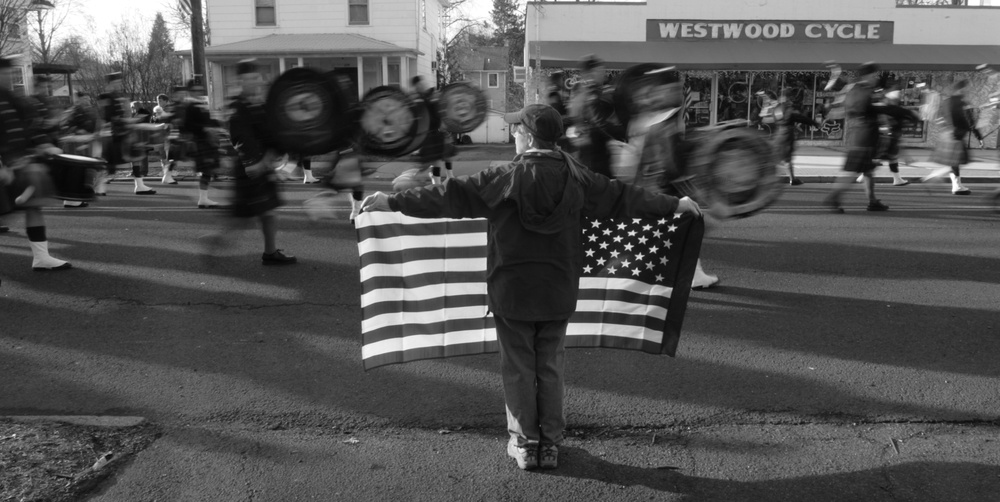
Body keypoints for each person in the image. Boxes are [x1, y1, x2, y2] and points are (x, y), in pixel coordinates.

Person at [359, 104, 702, 470]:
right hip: (558, 290)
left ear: (525, 136)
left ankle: (525, 444)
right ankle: (550, 445)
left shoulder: (502, 176)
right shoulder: (579, 177)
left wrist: (391, 200)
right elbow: (624, 197)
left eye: (516, 131)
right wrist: (675, 204)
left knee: (518, 367)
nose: (514, 136)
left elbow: (448, 195)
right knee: (550, 366)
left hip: (512, 292)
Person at [205, 59, 296, 265]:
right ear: (241, 81)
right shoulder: (238, 107)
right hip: (250, 170)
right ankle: (218, 241)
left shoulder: (261, 106)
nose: (255, 82)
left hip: (263, 166)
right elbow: (240, 138)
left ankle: (270, 252)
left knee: (267, 212)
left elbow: (273, 133)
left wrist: (281, 149)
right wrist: (254, 162)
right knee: (242, 216)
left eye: (257, 78)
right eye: (250, 79)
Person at [0, 56, 71, 271]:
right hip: (4, 164)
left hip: (20, 162)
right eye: (3, 73)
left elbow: (31, 127)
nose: (8, 77)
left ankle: (41, 257)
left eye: (9, 73)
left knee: (34, 206)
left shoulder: (14, 98)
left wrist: (45, 145)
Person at [824, 62, 889, 213]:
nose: (876, 78)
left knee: (868, 171)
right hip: (866, 136)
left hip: (855, 134)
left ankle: (872, 201)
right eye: (875, 75)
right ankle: (833, 198)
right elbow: (880, 113)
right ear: (869, 75)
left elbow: (838, 110)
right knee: (851, 171)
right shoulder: (868, 92)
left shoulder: (851, 89)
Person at [98, 72, 156, 195]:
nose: (118, 85)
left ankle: (139, 185)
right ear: (109, 83)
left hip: (125, 131)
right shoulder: (106, 97)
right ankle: (99, 186)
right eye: (116, 83)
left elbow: (123, 112)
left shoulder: (119, 96)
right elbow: (108, 117)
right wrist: (127, 120)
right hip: (115, 133)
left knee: (135, 156)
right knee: (109, 161)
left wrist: (130, 120)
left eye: (119, 82)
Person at [923, 79, 984, 195]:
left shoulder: (946, 101)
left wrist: (947, 128)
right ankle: (934, 177)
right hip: (957, 135)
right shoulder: (962, 103)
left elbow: (938, 117)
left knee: (954, 162)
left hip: (947, 134)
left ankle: (956, 186)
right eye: (967, 88)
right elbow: (970, 122)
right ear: (961, 89)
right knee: (956, 161)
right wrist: (979, 137)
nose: (968, 91)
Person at [567, 54, 624, 178]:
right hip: (595, 157)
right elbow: (600, 122)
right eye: (601, 70)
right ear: (592, 72)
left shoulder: (579, 91)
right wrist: (624, 136)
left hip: (586, 154)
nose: (604, 74)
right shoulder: (591, 93)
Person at [181, 78, 223, 208]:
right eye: (195, 90)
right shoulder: (189, 106)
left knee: (209, 169)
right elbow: (187, 125)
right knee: (207, 168)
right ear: (189, 92)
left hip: (207, 140)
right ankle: (202, 198)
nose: (198, 92)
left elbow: (207, 121)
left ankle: (203, 198)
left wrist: (218, 123)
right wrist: (204, 128)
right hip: (199, 141)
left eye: (200, 90)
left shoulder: (201, 104)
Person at [873, 85, 920, 186]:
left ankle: (897, 179)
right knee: (888, 157)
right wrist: (909, 121)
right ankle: (864, 176)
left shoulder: (882, 108)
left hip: (882, 136)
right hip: (892, 137)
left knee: (885, 157)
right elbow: (915, 117)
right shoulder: (899, 110)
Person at [411, 75, 455, 185]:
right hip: (427, 134)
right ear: (416, 86)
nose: (422, 85)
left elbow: (440, 110)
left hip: (437, 131)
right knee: (429, 161)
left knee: (441, 157)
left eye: (422, 83)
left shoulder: (430, 94)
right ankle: (417, 178)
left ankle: (443, 180)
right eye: (419, 84)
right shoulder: (418, 99)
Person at [772, 88, 821, 186]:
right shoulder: (788, 108)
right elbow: (800, 118)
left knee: (778, 156)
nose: (791, 99)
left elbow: (775, 120)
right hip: (787, 134)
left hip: (778, 133)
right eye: (790, 97)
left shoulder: (776, 108)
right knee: (787, 157)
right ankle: (792, 179)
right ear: (787, 97)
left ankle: (780, 178)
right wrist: (814, 123)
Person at [152, 93, 177, 184]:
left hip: (168, 135)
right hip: (159, 135)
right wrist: (154, 119)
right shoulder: (156, 110)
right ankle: (166, 175)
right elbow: (153, 122)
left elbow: (172, 121)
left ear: (166, 101)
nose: (158, 102)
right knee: (162, 156)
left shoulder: (170, 109)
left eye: (160, 100)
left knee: (169, 155)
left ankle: (168, 175)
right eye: (157, 100)